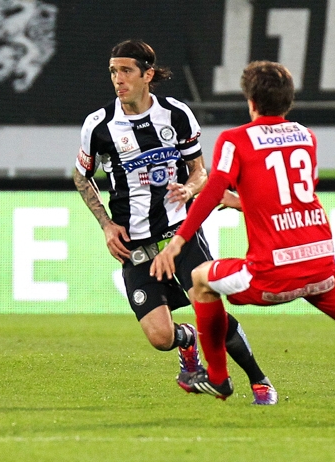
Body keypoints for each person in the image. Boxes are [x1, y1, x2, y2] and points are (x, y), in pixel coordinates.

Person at [149, 60, 335, 420]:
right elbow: (290, 195)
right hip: (322, 267)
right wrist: (240, 202)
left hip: (272, 274)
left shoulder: (236, 140)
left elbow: (211, 190)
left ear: (251, 101)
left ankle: (218, 378)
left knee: (200, 281)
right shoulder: (306, 137)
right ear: (288, 102)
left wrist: (177, 242)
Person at [73, 39, 277, 404]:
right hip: (134, 246)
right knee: (160, 339)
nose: (118, 79)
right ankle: (186, 341)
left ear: (147, 74)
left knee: (209, 311)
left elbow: (200, 172)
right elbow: (81, 176)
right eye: (113, 72)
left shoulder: (177, 114)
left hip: (180, 235)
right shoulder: (99, 125)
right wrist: (105, 224)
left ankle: (260, 380)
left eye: (126, 71)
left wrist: (190, 187)